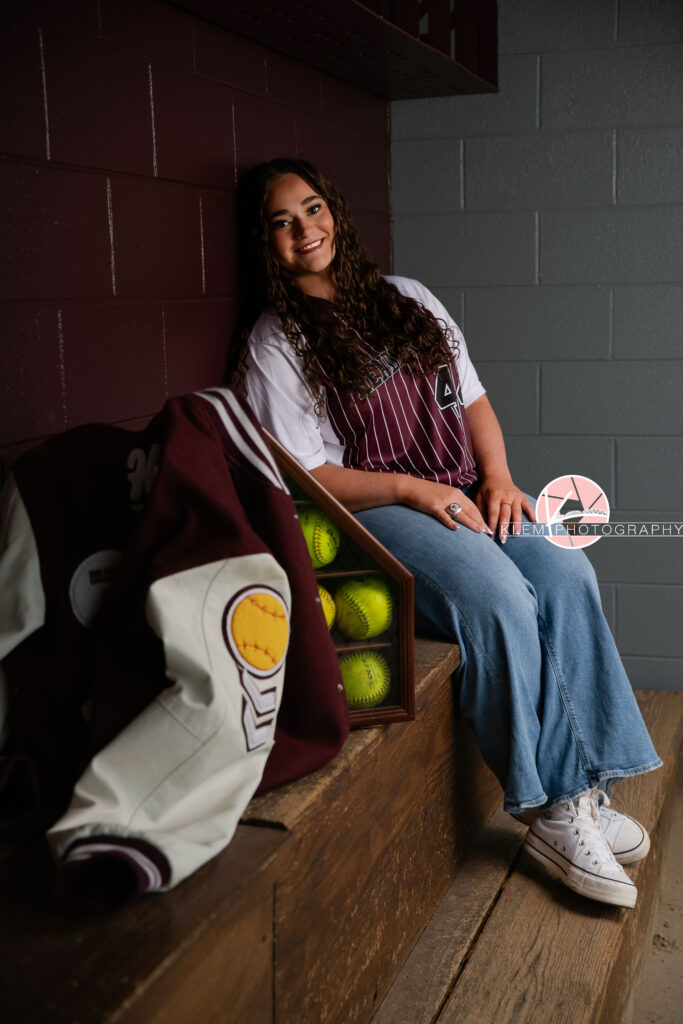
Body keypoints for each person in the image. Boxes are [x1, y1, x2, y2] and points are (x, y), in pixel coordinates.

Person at [228, 157, 661, 910]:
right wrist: (409, 489)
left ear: (335, 211)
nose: (304, 230)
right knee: (497, 595)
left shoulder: (407, 297)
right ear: (266, 242)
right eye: (281, 222)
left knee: (563, 571)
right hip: (379, 511)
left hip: (461, 490)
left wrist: (495, 476)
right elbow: (306, 476)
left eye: (312, 209)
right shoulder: (276, 341)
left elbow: (475, 403)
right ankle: (547, 806)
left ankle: (584, 786)